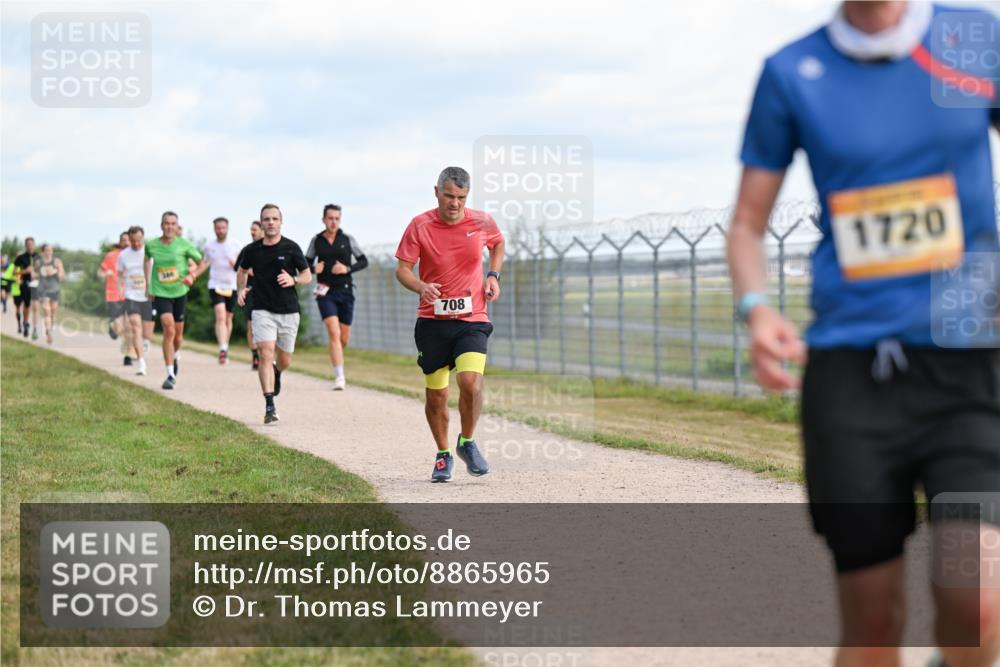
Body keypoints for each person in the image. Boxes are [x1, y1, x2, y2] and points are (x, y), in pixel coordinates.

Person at [727, 2, 1000, 665]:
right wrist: (758, 309)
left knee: (976, 599)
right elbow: (747, 224)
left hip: (967, 361)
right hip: (852, 374)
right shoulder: (791, 71)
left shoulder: (974, 38)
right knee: (873, 620)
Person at [395, 166, 505, 483]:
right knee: (437, 395)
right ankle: (443, 454)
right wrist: (420, 287)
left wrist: (493, 276)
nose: (454, 203)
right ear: (436, 192)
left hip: (472, 319)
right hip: (432, 321)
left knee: (470, 383)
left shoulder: (481, 221)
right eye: (448, 196)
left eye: (461, 197)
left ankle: (467, 442)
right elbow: (403, 269)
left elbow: (498, 244)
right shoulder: (420, 225)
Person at [237, 204, 311, 424]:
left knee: (285, 359)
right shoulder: (252, 250)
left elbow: (307, 275)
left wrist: (294, 279)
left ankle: (277, 372)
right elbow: (241, 271)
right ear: (261, 223)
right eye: (266, 219)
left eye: (274, 219)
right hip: (262, 309)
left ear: (280, 222)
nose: (270, 222)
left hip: (288, 310)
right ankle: (270, 405)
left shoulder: (291, 248)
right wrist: (241, 290)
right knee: (265, 353)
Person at [305, 204, 369, 390]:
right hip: (325, 292)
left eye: (337, 218)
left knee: (343, 339)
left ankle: (336, 355)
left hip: (346, 291)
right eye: (330, 218)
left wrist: (347, 269)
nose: (333, 222)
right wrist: (313, 269)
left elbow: (364, 261)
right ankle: (340, 377)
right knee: (333, 332)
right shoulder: (316, 241)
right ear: (323, 219)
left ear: (339, 220)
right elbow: (305, 263)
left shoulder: (347, 239)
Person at [145, 211, 204, 390]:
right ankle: (170, 374)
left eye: (173, 224)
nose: (169, 226)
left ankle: (175, 353)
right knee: (168, 329)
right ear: (161, 225)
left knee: (178, 336)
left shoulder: (184, 244)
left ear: (177, 227)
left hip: (179, 292)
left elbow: (202, 262)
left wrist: (192, 276)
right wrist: (148, 284)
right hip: (161, 292)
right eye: (166, 223)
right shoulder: (151, 245)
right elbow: (147, 261)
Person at [200, 217, 241, 365]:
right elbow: (204, 263)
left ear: (227, 228)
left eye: (223, 228)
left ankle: (225, 345)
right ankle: (222, 348)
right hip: (215, 284)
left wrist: (235, 264)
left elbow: (242, 267)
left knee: (229, 318)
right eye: (218, 228)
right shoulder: (209, 246)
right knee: (221, 317)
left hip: (232, 286)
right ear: (214, 229)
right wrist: (193, 274)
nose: (220, 231)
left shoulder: (236, 245)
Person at [118, 226, 153, 376]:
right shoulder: (123, 255)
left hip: (149, 295)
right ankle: (141, 363)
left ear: (143, 238)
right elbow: (120, 274)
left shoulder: (150, 251)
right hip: (131, 295)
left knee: (147, 332)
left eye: (139, 241)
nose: (136, 244)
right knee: (135, 328)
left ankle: (146, 343)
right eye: (133, 241)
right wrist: (120, 289)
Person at [236, 220, 265, 370]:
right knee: (251, 326)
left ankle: (266, 356)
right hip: (251, 291)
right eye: (251, 230)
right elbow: (238, 269)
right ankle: (255, 355)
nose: (252, 232)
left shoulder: (270, 248)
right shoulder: (247, 250)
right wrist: (248, 270)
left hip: (268, 292)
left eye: (255, 229)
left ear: (262, 230)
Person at [98, 232, 130, 360]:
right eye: (124, 240)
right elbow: (100, 271)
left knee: (130, 325)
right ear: (120, 242)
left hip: (130, 295)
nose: (126, 242)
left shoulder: (137, 256)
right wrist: (106, 274)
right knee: (119, 326)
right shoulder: (111, 256)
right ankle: (113, 328)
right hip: (113, 294)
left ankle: (128, 355)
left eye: (128, 240)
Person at [35, 244, 65, 345]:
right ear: (42, 252)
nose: (48, 252)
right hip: (43, 290)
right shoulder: (39, 262)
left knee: (53, 313)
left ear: (52, 251)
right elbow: (34, 275)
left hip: (55, 290)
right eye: (46, 250)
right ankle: (48, 333)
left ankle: (50, 329)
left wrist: (55, 271)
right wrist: (40, 272)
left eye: (50, 250)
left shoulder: (57, 262)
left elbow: (62, 276)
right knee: (47, 312)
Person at [14, 238, 38, 340]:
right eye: (28, 244)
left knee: (36, 306)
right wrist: (25, 271)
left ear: (34, 245)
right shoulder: (20, 258)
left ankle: (35, 329)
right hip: (25, 284)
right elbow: (14, 273)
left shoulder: (38, 257)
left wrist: (36, 273)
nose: (30, 246)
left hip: (36, 284)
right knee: (27, 305)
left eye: (31, 244)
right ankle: (25, 322)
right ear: (25, 246)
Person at [2, 259, 18, 324]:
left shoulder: (12, 266)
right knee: (3, 294)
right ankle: (4, 304)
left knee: (7, 295)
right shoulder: (7, 265)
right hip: (4, 280)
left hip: (9, 281)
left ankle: (4, 303)